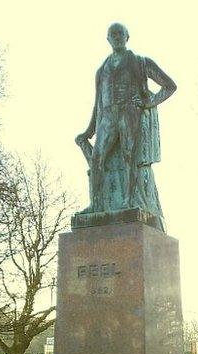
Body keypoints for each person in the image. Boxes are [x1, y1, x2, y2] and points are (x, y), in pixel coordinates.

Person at [75, 22, 176, 218]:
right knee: (97, 158)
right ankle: (96, 205)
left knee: (130, 156)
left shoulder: (140, 62)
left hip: (130, 114)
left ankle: (129, 201)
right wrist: (89, 131)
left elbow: (169, 86)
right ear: (108, 39)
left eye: (120, 33)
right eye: (113, 34)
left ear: (127, 36)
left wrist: (149, 102)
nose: (117, 36)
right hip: (107, 118)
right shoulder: (101, 70)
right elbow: (97, 103)